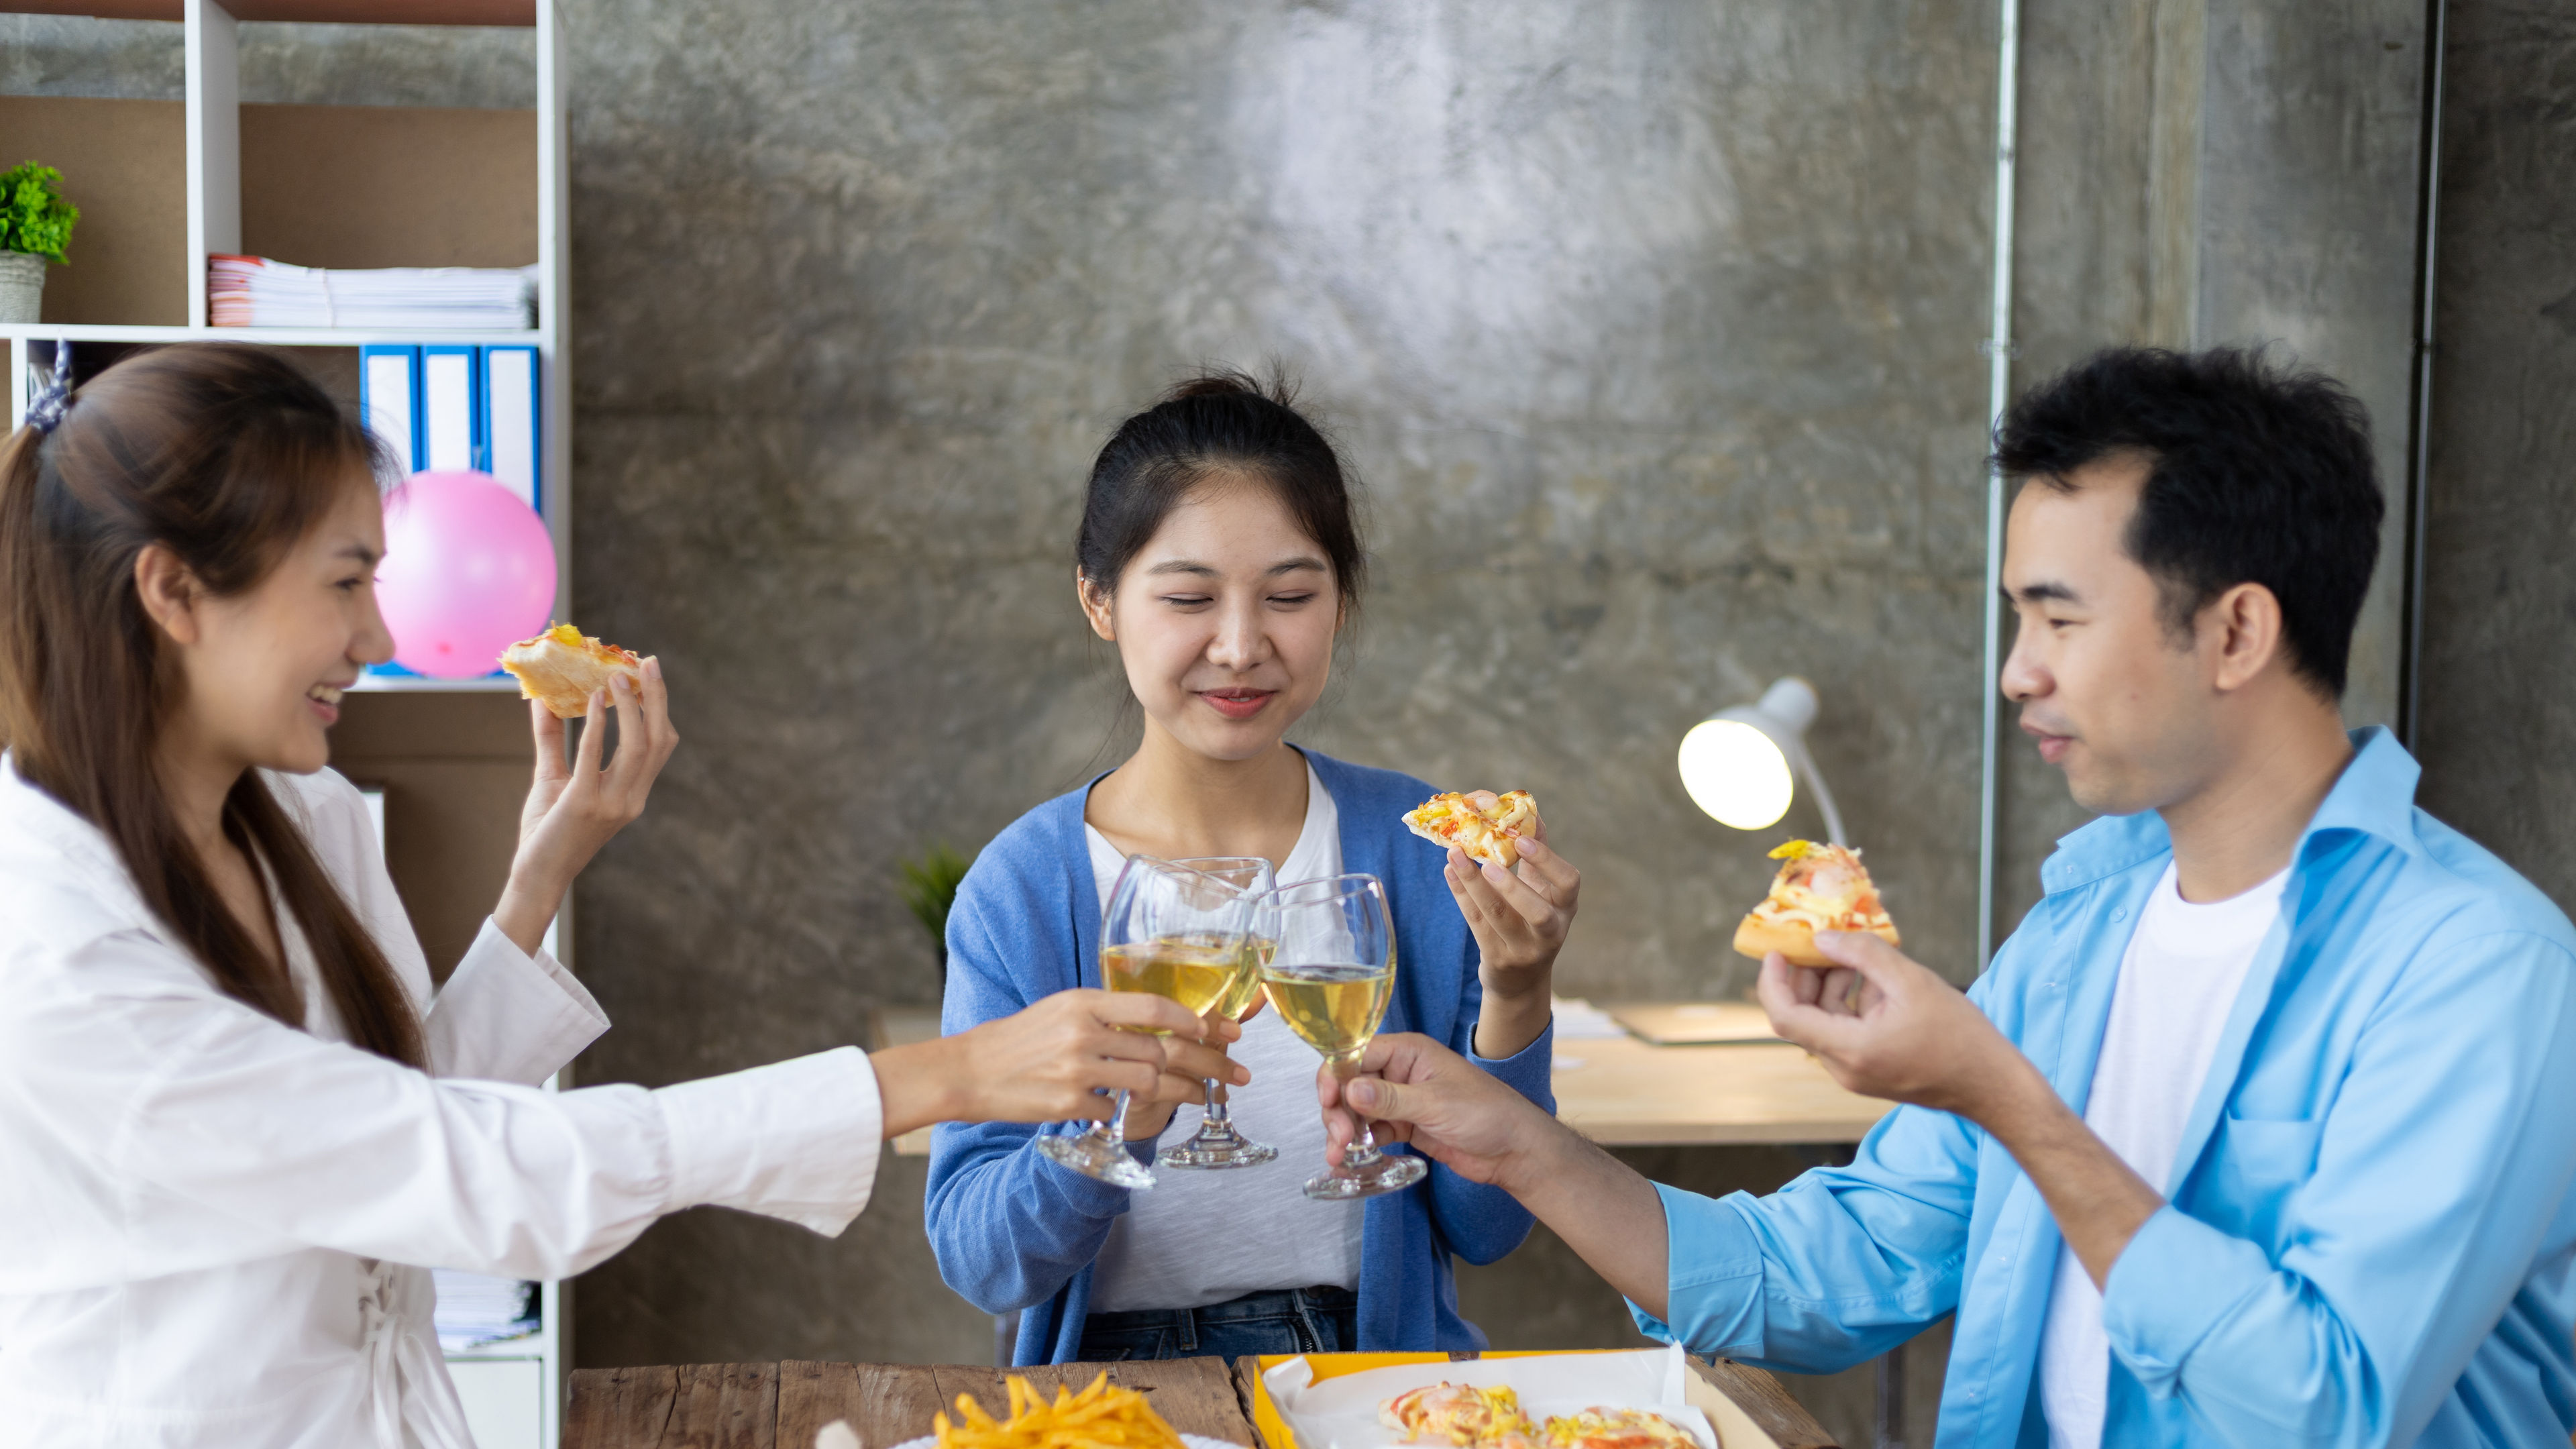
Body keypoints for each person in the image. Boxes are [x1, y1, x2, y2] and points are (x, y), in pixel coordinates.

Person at [1317, 347, 2576, 1448]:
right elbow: (1820, 1276)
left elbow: (2325, 1409)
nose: (2019, 673)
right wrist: (1521, 1146)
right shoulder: (2086, 932)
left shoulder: (2479, 969)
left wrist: (2005, 1098)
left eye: (2058, 619)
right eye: (2015, 617)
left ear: (2237, 633)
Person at [0, 345, 1222, 1449]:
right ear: (173, 594)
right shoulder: (53, 950)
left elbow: (400, 1107)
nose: (377, 633)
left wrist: (545, 866)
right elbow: (476, 1173)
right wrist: (940, 1078)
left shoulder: (300, 820)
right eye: (344, 582)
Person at [925, 372, 1580, 1364]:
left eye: (1290, 596)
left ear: (1340, 605)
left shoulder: (1419, 854)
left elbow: (1489, 1232)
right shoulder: (1024, 890)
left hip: (1372, 1379)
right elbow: (983, 1263)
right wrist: (1121, 1120)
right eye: (1189, 597)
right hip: (1118, 1396)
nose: (1240, 647)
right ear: (1099, 601)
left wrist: (1520, 990)